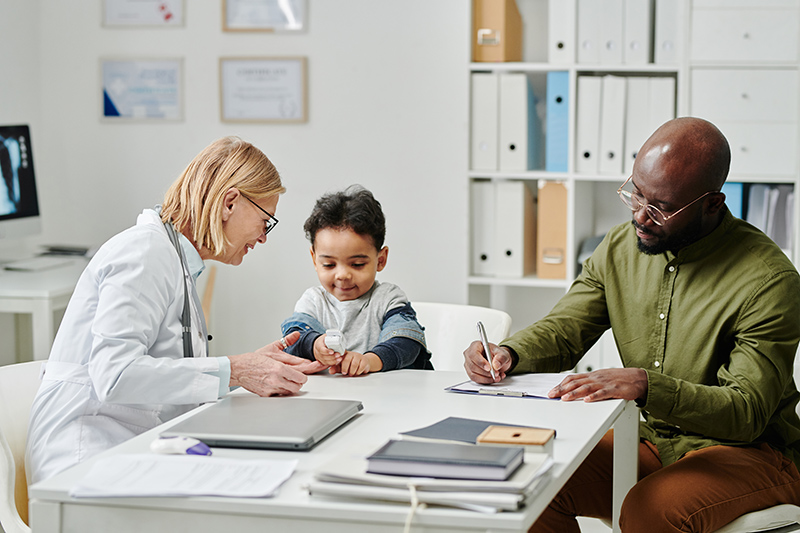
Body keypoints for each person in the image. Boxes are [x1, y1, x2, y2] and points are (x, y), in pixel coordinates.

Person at [464, 117, 800, 532]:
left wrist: (647, 386)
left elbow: (746, 412)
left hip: (752, 451)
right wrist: (509, 353)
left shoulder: (769, 281)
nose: (641, 216)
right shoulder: (620, 247)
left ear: (712, 203)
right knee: (531, 477)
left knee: (651, 509)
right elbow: (567, 326)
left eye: (661, 207)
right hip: (652, 438)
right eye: (636, 194)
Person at [26, 136, 326, 484]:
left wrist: (247, 368)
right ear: (230, 202)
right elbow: (115, 375)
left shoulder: (175, 261)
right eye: (265, 221)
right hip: (82, 458)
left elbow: (164, 380)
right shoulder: (144, 253)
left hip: (126, 446)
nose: (263, 237)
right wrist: (234, 371)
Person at [280, 185, 432, 376]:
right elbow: (295, 338)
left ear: (381, 259)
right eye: (329, 264)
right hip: (329, 400)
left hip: (385, 397)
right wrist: (315, 345)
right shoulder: (313, 301)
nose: (342, 275)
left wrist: (368, 360)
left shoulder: (388, 298)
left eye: (357, 264)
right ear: (314, 259)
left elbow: (406, 343)